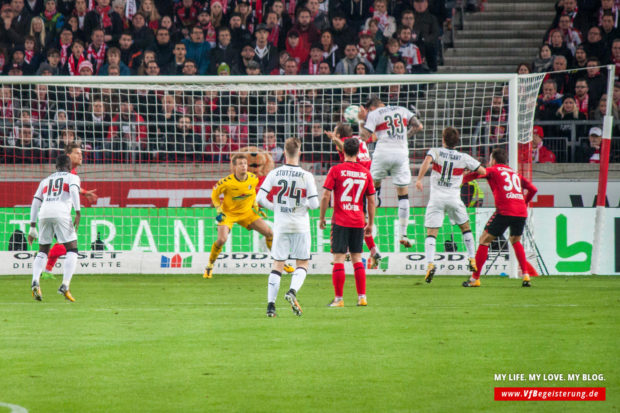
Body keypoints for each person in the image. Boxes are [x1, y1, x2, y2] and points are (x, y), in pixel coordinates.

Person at [257, 137, 319, 317]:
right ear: (300, 152)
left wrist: (275, 207)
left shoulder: (275, 173)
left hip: (282, 225)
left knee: (278, 264)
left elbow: (260, 199)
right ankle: (292, 291)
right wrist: (303, 204)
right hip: (300, 225)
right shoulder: (306, 176)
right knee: (302, 263)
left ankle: (270, 307)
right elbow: (315, 204)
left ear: (284, 152)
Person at [204, 153, 292, 278]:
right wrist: (219, 210)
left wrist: (255, 206)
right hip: (229, 214)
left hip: (247, 213)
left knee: (269, 233)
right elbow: (214, 195)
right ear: (234, 167)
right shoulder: (226, 182)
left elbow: (251, 194)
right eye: (240, 164)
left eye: (245, 164)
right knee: (221, 240)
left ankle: (280, 263)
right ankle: (209, 265)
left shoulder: (253, 178)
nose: (244, 166)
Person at [415, 127, 485, 282]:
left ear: (443, 139)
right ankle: (472, 259)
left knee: (431, 233)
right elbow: (483, 171)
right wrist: (465, 174)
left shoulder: (436, 152)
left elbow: (427, 161)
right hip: (454, 198)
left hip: (436, 199)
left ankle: (430, 264)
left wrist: (419, 179)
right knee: (465, 228)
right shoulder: (464, 157)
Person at [461, 147, 538, 288]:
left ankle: (474, 279)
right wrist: (524, 202)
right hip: (521, 211)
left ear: (493, 160)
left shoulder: (493, 170)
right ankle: (526, 276)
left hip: (505, 210)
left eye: (490, 159)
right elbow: (533, 189)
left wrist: (461, 180)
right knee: (515, 240)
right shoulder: (515, 174)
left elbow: (477, 174)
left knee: (484, 240)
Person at [358, 96, 423, 248]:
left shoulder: (375, 114)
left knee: (372, 189)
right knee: (403, 194)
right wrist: (404, 137)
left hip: (383, 153)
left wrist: (362, 120)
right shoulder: (402, 109)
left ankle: (368, 219)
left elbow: (364, 137)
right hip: (401, 153)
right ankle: (403, 233)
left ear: (372, 108)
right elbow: (418, 126)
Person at [320, 138, 376, 307]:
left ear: (343, 151)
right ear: (359, 152)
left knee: (338, 258)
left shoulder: (336, 170)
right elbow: (372, 201)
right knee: (357, 258)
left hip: (341, 220)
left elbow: (325, 196)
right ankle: (362, 297)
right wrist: (370, 223)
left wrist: (322, 217)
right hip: (358, 220)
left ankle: (339, 299)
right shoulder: (365, 172)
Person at [325, 123, 382, 269]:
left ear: (339, 135)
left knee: (345, 214)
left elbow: (344, 147)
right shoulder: (358, 140)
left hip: (354, 176)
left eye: (334, 132)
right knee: (360, 221)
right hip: (365, 179)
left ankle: (345, 253)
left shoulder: (344, 143)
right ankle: (373, 250)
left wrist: (334, 139)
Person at [28, 154, 81, 302]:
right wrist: (78, 211)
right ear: (69, 166)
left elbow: (35, 202)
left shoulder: (45, 180)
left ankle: (35, 281)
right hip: (61, 213)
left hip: (44, 214)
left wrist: (32, 225)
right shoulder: (72, 177)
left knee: (43, 250)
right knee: (72, 249)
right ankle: (65, 285)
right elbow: (74, 192)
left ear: (56, 166)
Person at [43, 142, 98, 277]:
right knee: (67, 244)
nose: (81, 156)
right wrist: (78, 210)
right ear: (68, 156)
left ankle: (47, 270)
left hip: (51, 212)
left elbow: (71, 188)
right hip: (56, 213)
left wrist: (84, 193)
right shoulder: (67, 173)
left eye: (81, 153)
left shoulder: (70, 173)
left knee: (62, 243)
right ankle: (45, 267)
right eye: (77, 153)